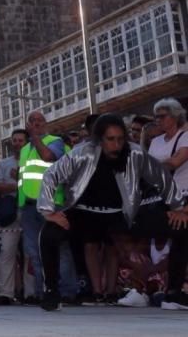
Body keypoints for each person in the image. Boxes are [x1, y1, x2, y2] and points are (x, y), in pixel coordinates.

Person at [38, 113, 188, 311]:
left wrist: (178, 208)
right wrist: (48, 211)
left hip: (123, 214)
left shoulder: (135, 153)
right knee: (49, 232)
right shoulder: (82, 153)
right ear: (99, 139)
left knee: (182, 226)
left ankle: (173, 294)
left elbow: (161, 177)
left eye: (120, 139)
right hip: (85, 214)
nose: (116, 145)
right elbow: (51, 175)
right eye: (110, 139)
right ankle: (51, 291)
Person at [18, 110, 77, 300]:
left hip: (52, 204)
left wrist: (35, 138)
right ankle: (43, 292)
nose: (36, 123)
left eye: (40, 121)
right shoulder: (25, 148)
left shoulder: (55, 141)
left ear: (46, 123)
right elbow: (24, 178)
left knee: (59, 250)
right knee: (34, 252)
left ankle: (66, 292)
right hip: (28, 206)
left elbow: (48, 157)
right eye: (32, 121)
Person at [0, 128, 28, 304]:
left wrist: (20, 178)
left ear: (27, 142)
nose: (17, 143)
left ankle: (31, 292)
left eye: (21, 140)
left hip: (29, 210)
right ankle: (5, 293)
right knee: (7, 252)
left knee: (30, 253)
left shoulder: (34, 163)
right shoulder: (4, 163)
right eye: (15, 140)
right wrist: (17, 186)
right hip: (10, 212)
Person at [147, 98, 188, 197]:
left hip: (183, 193)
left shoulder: (185, 136)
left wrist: (151, 166)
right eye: (156, 117)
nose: (158, 120)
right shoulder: (155, 141)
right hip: (162, 195)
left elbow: (174, 163)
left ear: (176, 116)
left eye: (162, 116)